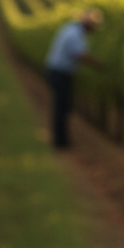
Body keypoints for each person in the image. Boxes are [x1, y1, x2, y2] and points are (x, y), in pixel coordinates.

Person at [44, 8, 103, 148]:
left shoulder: (71, 29)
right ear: (87, 24)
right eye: (93, 25)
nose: (94, 28)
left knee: (62, 106)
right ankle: (60, 141)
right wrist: (98, 65)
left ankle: (60, 139)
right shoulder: (75, 34)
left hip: (57, 71)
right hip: (59, 73)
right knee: (61, 107)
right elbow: (80, 55)